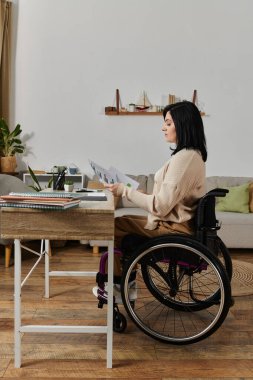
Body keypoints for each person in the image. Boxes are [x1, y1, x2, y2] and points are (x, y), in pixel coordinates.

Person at [105, 100, 207, 249]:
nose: (163, 128)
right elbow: (168, 200)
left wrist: (124, 190)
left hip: (174, 229)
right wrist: (140, 194)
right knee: (123, 219)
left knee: (116, 225)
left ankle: (118, 272)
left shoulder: (185, 158)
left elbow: (160, 207)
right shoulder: (190, 155)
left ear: (182, 125)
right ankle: (123, 270)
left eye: (168, 123)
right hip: (171, 224)